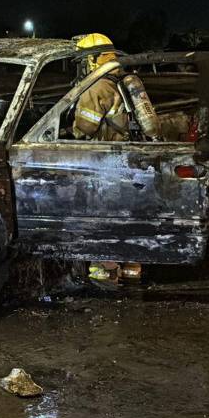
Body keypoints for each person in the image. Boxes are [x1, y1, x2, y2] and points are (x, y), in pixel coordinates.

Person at [70, 33, 143, 284]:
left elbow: (84, 128)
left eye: (84, 60)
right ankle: (132, 266)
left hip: (103, 162)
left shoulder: (96, 88)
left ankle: (106, 268)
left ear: (93, 59)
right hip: (127, 158)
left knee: (101, 216)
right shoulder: (124, 80)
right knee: (126, 214)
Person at [72, 33, 130, 142]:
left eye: (82, 62)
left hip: (106, 147)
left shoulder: (94, 89)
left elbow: (84, 130)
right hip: (122, 142)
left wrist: (71, 129)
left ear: (91, 60)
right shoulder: (120, 78)